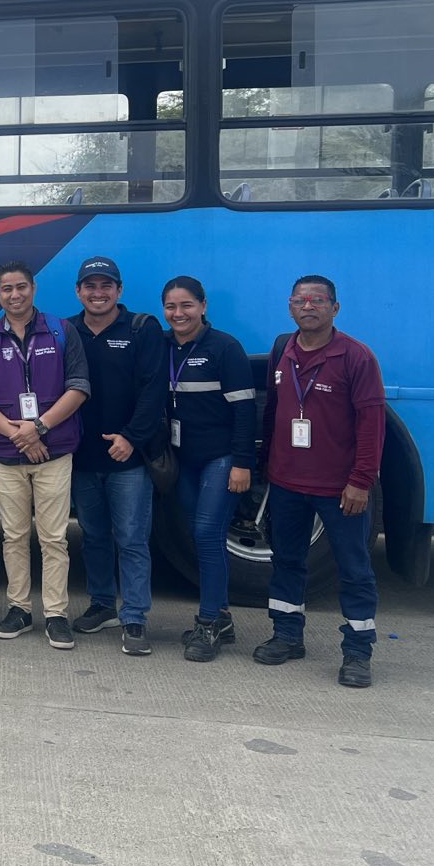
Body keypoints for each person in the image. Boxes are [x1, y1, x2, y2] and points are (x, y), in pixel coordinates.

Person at [256, 275, 385, 688]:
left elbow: (372, 423)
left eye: (317, 300)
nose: (308, 306)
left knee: (353, 568)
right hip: (286, 482)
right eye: (300, 300)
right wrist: (265, 467)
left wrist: (361, 481)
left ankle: (358, 652)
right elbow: (272, 413)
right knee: (286, 561)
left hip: (339, 488)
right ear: (290, 306)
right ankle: (287, 636)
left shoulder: (356, 356)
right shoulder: (283, 351)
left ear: (335, 307)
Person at [0, 260, 89, 650]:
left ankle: (55, 614)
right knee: (14, 535)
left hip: (54, 451)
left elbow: (79, 388)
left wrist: (39, 428)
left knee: (54, 537)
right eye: (7, 289)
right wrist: (18, 434)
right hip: (6, 453)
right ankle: (18, 608)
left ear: (33, 288)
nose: (15, 295)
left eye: (21, 287)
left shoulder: (62, 331)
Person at [68, 256, 168, 657]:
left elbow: (154, 391)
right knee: (93, 536)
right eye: (90, 286)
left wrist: (131, 438)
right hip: (81, 456)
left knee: (131, 538)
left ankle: (135, 617)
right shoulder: (67, 331)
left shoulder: (142, 329)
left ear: (119, 290)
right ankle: (102, 604)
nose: (98, 293)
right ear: (78, 291)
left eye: (106, 285)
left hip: (127, 456)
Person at [161, 276, 257, 663]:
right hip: (182, 460)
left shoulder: (224, 348)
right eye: (171, 306)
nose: (178, 314)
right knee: (201, 536)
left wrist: (242, 463)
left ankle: (208, 623)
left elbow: (245, 412)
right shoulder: (162, 346)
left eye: (186, 305)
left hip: (220, 458)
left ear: (202, 306)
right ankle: (222, 616)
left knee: (206, 532)